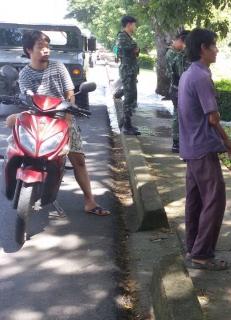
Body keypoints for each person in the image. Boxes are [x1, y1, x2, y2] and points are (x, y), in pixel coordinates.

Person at [5, 30, 110, 217]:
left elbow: (70, 94)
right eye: (41, 47)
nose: (46, 51)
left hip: (62, 116)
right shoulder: (25, 75)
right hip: (36, 117)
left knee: (78, 159)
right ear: (29, 49)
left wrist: (68, 120)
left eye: (47, 47)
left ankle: (89, 201)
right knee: (13, 131)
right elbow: (28, 98)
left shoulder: (59, 67)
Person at [178, 28, 231, 271]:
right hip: (202, 147)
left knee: (195, 199)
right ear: (203, 48)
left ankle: (193, 247)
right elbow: (213, 118)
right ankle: (202, 254)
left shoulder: (188, 74)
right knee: (214, 199)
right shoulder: (201, 77)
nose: (217, 50)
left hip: (190, 146)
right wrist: (227, 141)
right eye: (214, 46)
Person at [165, 30, 190, 153]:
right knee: (177, 115)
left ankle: (179, 141)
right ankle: (176, 142)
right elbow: (178, 72)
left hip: (177, 88)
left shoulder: (175, 53)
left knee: (179, 114)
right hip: (176, 89)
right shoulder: (173, 54)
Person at [116, 15, 140, 135]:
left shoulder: (128, 37)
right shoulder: (122, 36)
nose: (135, 27)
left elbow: (135, 51)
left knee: (131, 96)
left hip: (131, 70)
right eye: (134, 24)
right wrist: (133, 46)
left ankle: (127, 123)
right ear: (129, 24)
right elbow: (120, 47)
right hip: (127, 70)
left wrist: (136, 49)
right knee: (128, 96)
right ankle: (126, 125)